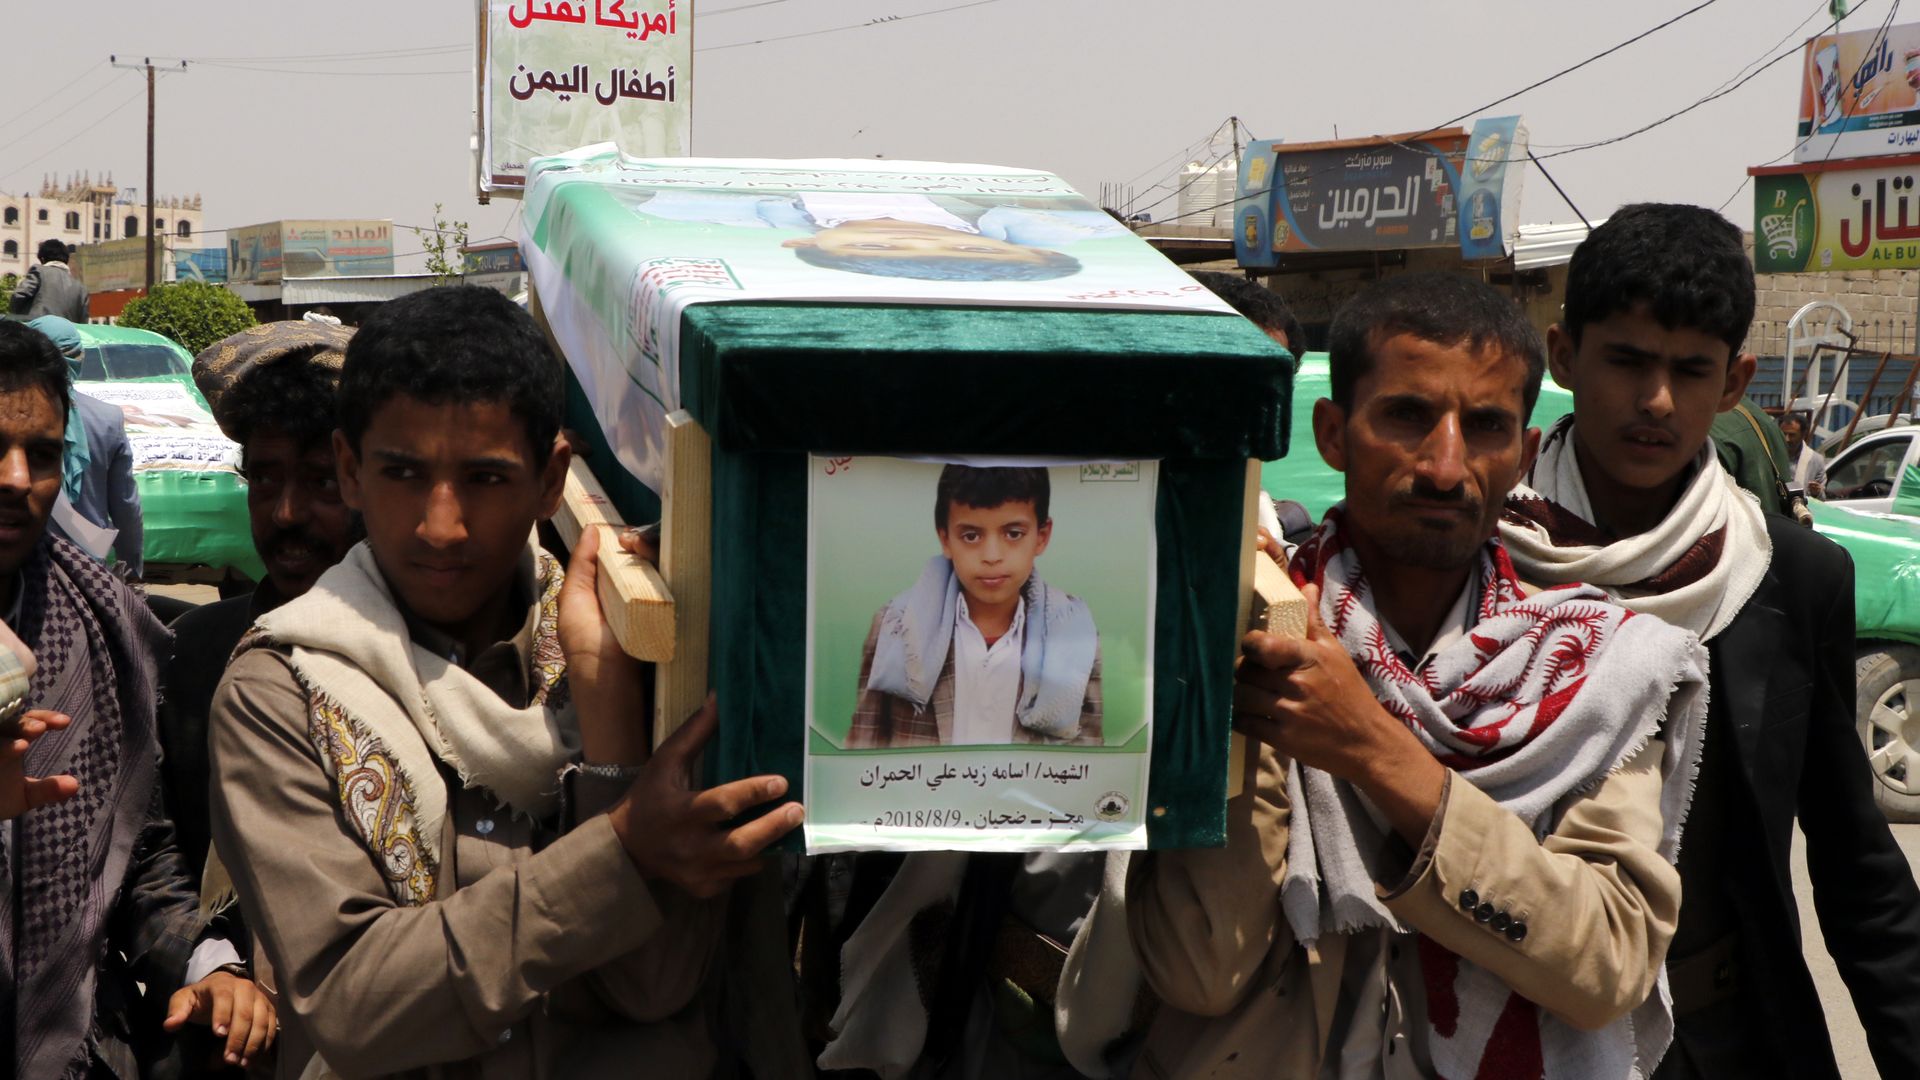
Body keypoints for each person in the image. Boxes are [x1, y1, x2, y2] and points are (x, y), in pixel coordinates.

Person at [1113, 272, 1708, 1078]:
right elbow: (1201, 971)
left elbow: (1605, 964)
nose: (1445, 464)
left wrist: (1373, 750)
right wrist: (1248, 677)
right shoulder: (1243, 626)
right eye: (1407, 416)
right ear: (1331, 434)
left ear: (1524, 454)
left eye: (1487, 426)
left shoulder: (1598, 668)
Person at [205, 285, 804, 1078]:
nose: (440, 526)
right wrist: (620, 848)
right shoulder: (282, 689)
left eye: (485, 480)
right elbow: (356, 1002)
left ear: (552, 478)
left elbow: (655, 986)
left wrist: (612, 730)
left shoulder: (646, 652)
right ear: (350, 470)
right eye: (403, 474)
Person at [1499, 203, 1920, 1079]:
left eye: (1691, 371)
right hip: (1505, 1038)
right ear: (1565, 356)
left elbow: (1854, 863)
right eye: (1627, 361)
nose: (1656, 401)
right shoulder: (1485, 560)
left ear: (1734, 384)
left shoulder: (1786, 577)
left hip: (1719, 1042)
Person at [0, 321, 274, 1076]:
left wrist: (208, 965)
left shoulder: (102, 627)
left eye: (44, 455)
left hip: (76, 1044)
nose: (17, 479)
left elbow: (140, 850)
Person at [159, 321, 359, 878]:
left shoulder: (437, 658)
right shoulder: (192, 656)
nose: (286, 514)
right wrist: (202, 955)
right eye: (265, 480)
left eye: (322, 483)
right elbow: (155, 849)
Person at [847, 464, 1102, 748]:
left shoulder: (1072, 635)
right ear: (945, 538)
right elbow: (862, 746)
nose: (991, 556)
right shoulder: (896, 626)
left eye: (1013, 533)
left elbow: (1088, 756)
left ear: (1041, 536)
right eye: (971, 536)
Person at [622, 187, 1111, 281]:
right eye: (963, 246)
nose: (917, 237)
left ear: (806, 243)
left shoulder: (758, 214)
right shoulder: (1000, 208)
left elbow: (642, 201)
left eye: (877, 246)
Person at [24, 315, 144, 574]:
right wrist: (131, 568)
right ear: (79, 358)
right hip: (88, 569)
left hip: (25, 567)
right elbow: (126, 505)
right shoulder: (109, 418)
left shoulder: (15, 416)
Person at [10, 240, 89, 323]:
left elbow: (18, 296)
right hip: (67, 334)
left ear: (42, 259)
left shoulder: (39, 271)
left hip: (37, 331)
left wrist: (20, 319)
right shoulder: (81, 288)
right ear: (66, 260)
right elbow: (83, 321)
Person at [1781, 410, 1828, 498]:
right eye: (1783, 434)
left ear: (1803, 434)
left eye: (1792, 435)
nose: (1787, 439)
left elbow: (1821, 498)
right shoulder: (1769, 455)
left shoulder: (1816, 460)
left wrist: (1816, 492)